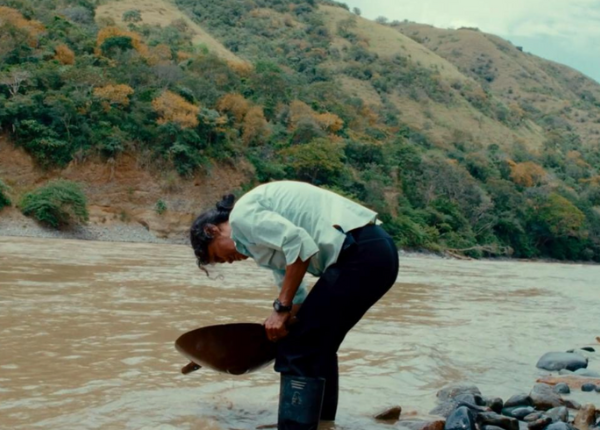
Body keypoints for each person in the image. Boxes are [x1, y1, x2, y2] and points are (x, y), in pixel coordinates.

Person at [190, 181, 399, 430]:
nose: (228, 261)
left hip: (361, 253)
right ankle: (322, 424)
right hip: (374, 253)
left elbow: (299, 245)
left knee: (301, 346)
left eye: (218, 256)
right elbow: (295, 296)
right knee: (316, 343)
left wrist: (280, 310)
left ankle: (295, 427)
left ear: (212, 230)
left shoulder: (243, 217)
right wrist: (279, 324)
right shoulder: (259, 246)